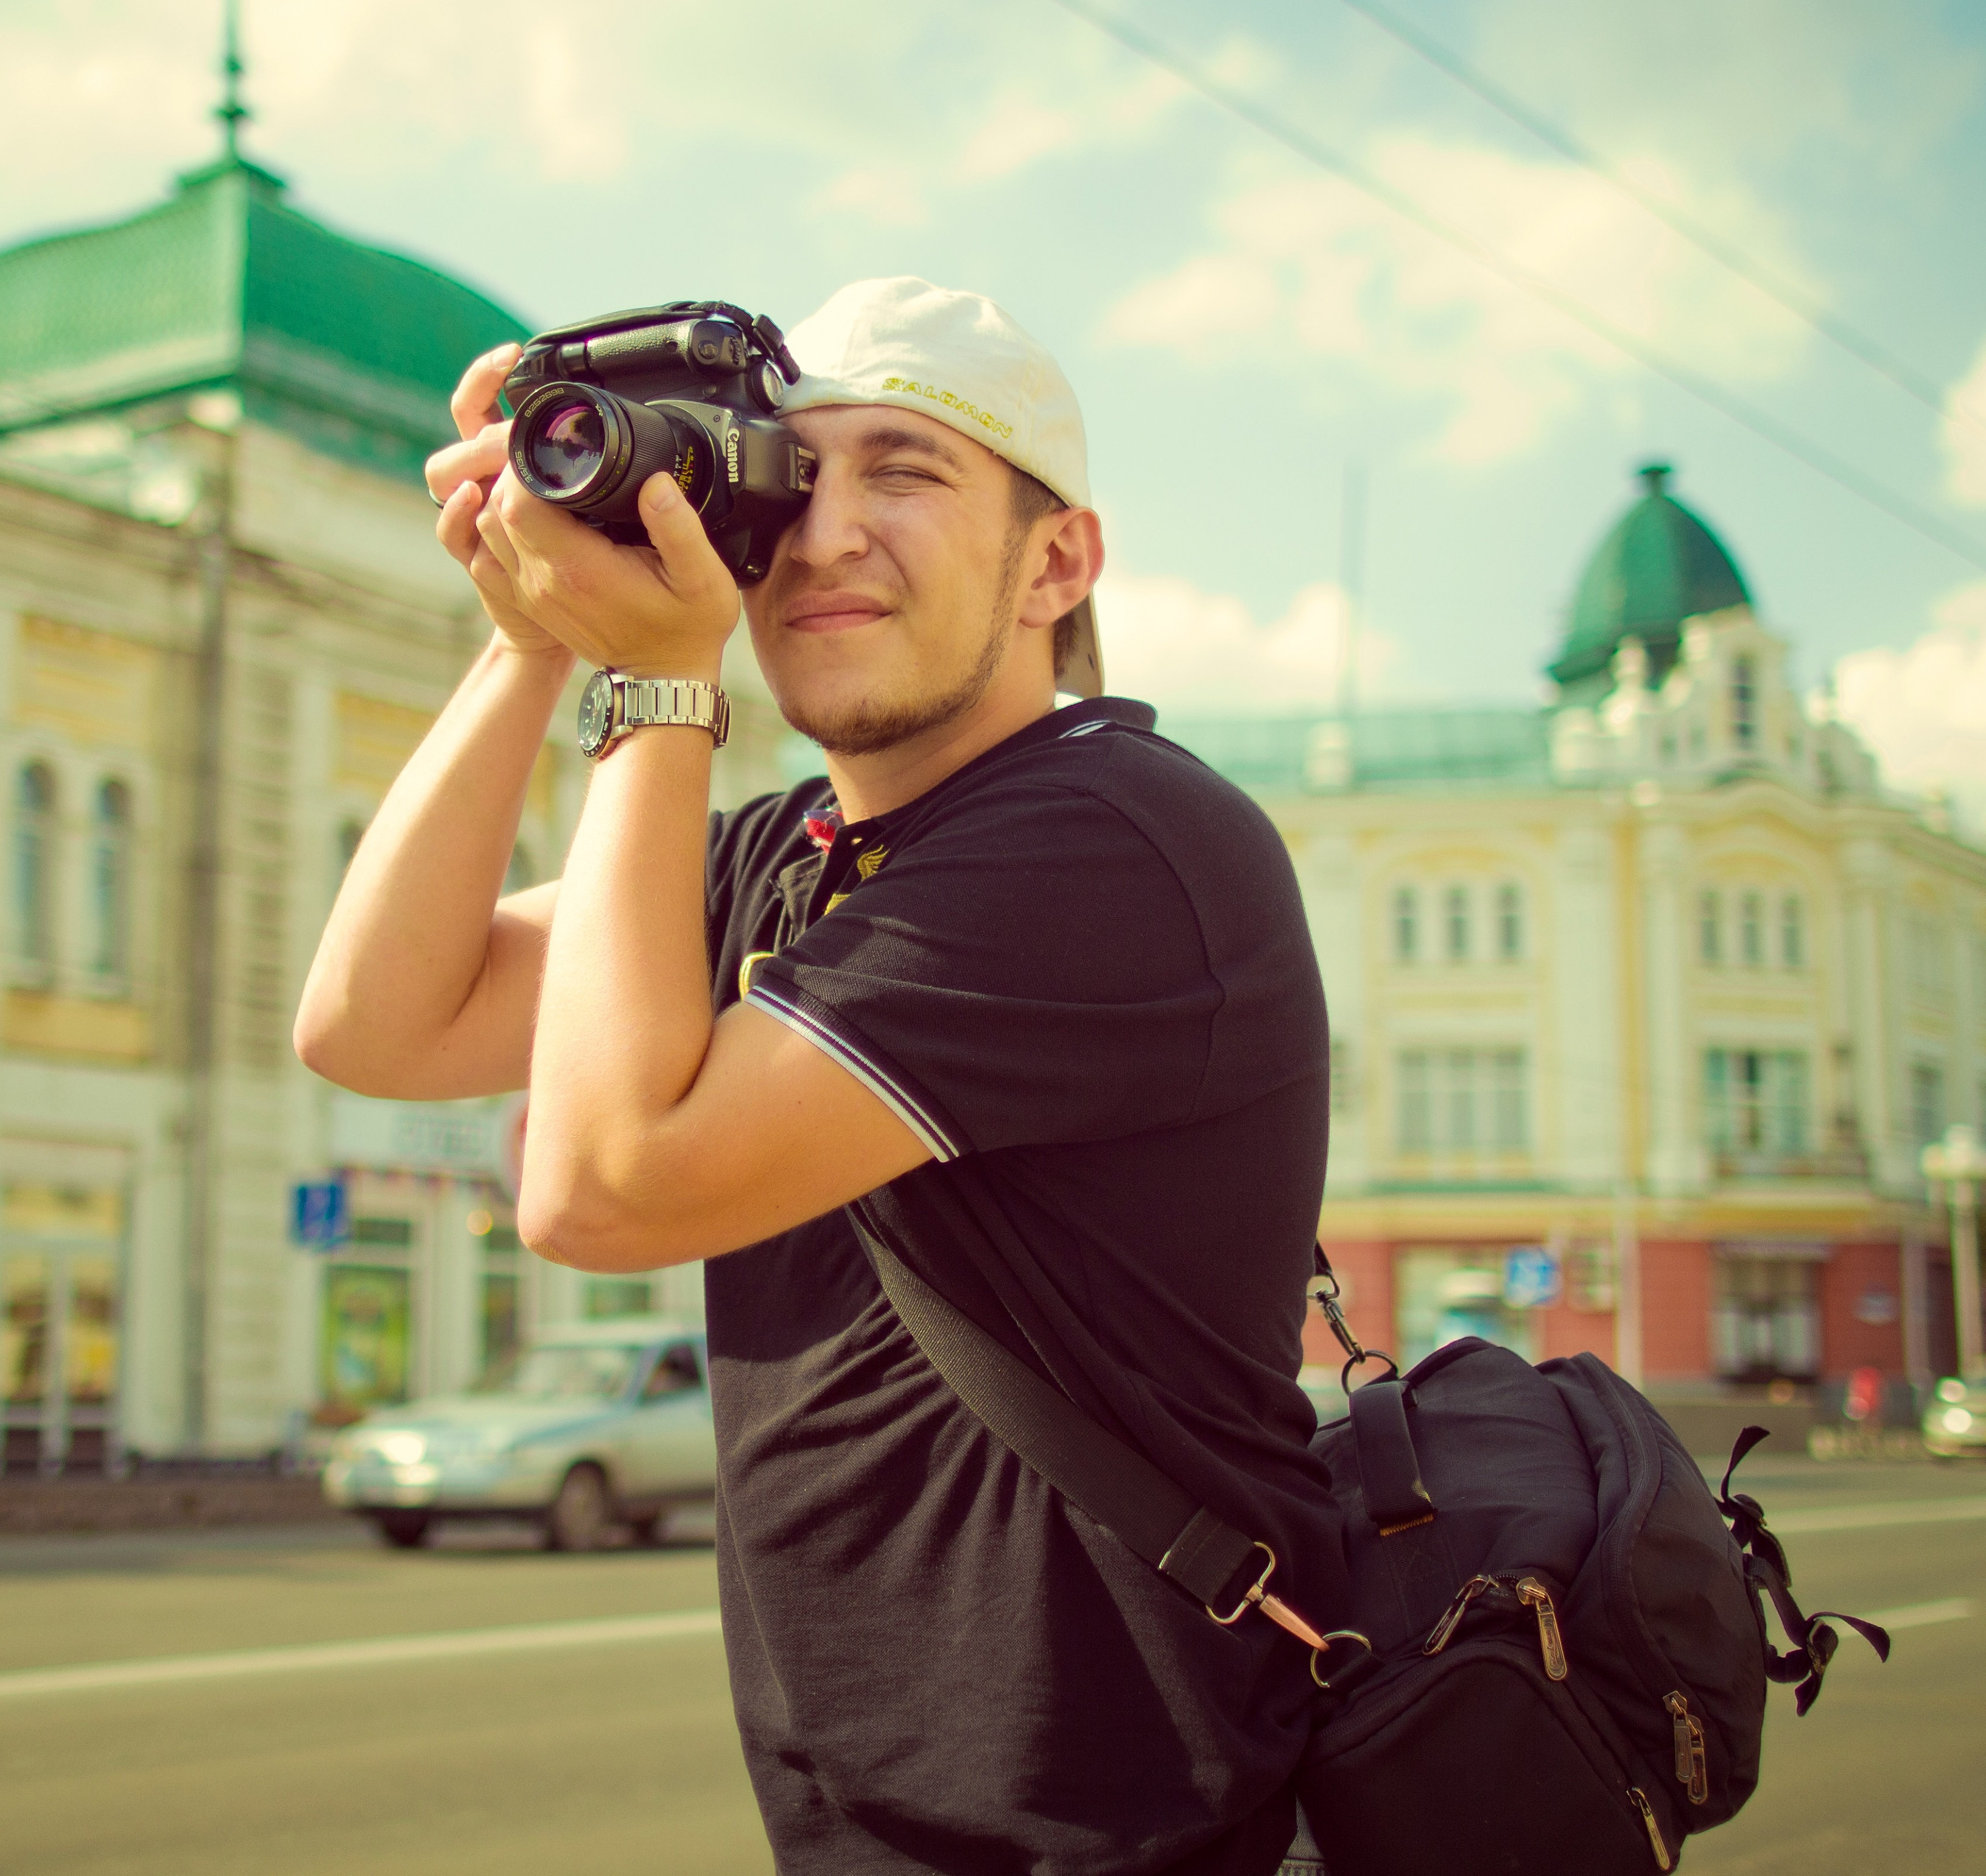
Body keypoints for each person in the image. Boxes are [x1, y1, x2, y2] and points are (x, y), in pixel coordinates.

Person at [299, 278, 1336, 1874]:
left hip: (1128, 1831)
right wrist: (530, 636)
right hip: (862, 1822)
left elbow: (600, 1187)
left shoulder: (1113, 836)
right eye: (796, 479)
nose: (827, 533)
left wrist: (653, 686)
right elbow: (376, 1021)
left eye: (906, 471)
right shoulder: (785, 859)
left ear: (1056, 560)